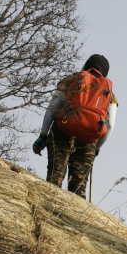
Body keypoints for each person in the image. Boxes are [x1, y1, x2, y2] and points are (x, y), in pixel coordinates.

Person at [32, 54, 118, 198]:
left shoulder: (72, 80)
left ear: (86, 65)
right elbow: (110, 126)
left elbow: (52, 108)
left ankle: (48, 209)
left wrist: (43, 135)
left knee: (55, 176)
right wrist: (97, 147)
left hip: (62, 132)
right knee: (78, 188)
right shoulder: (109, 93)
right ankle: (72, 218)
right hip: (88, 142)